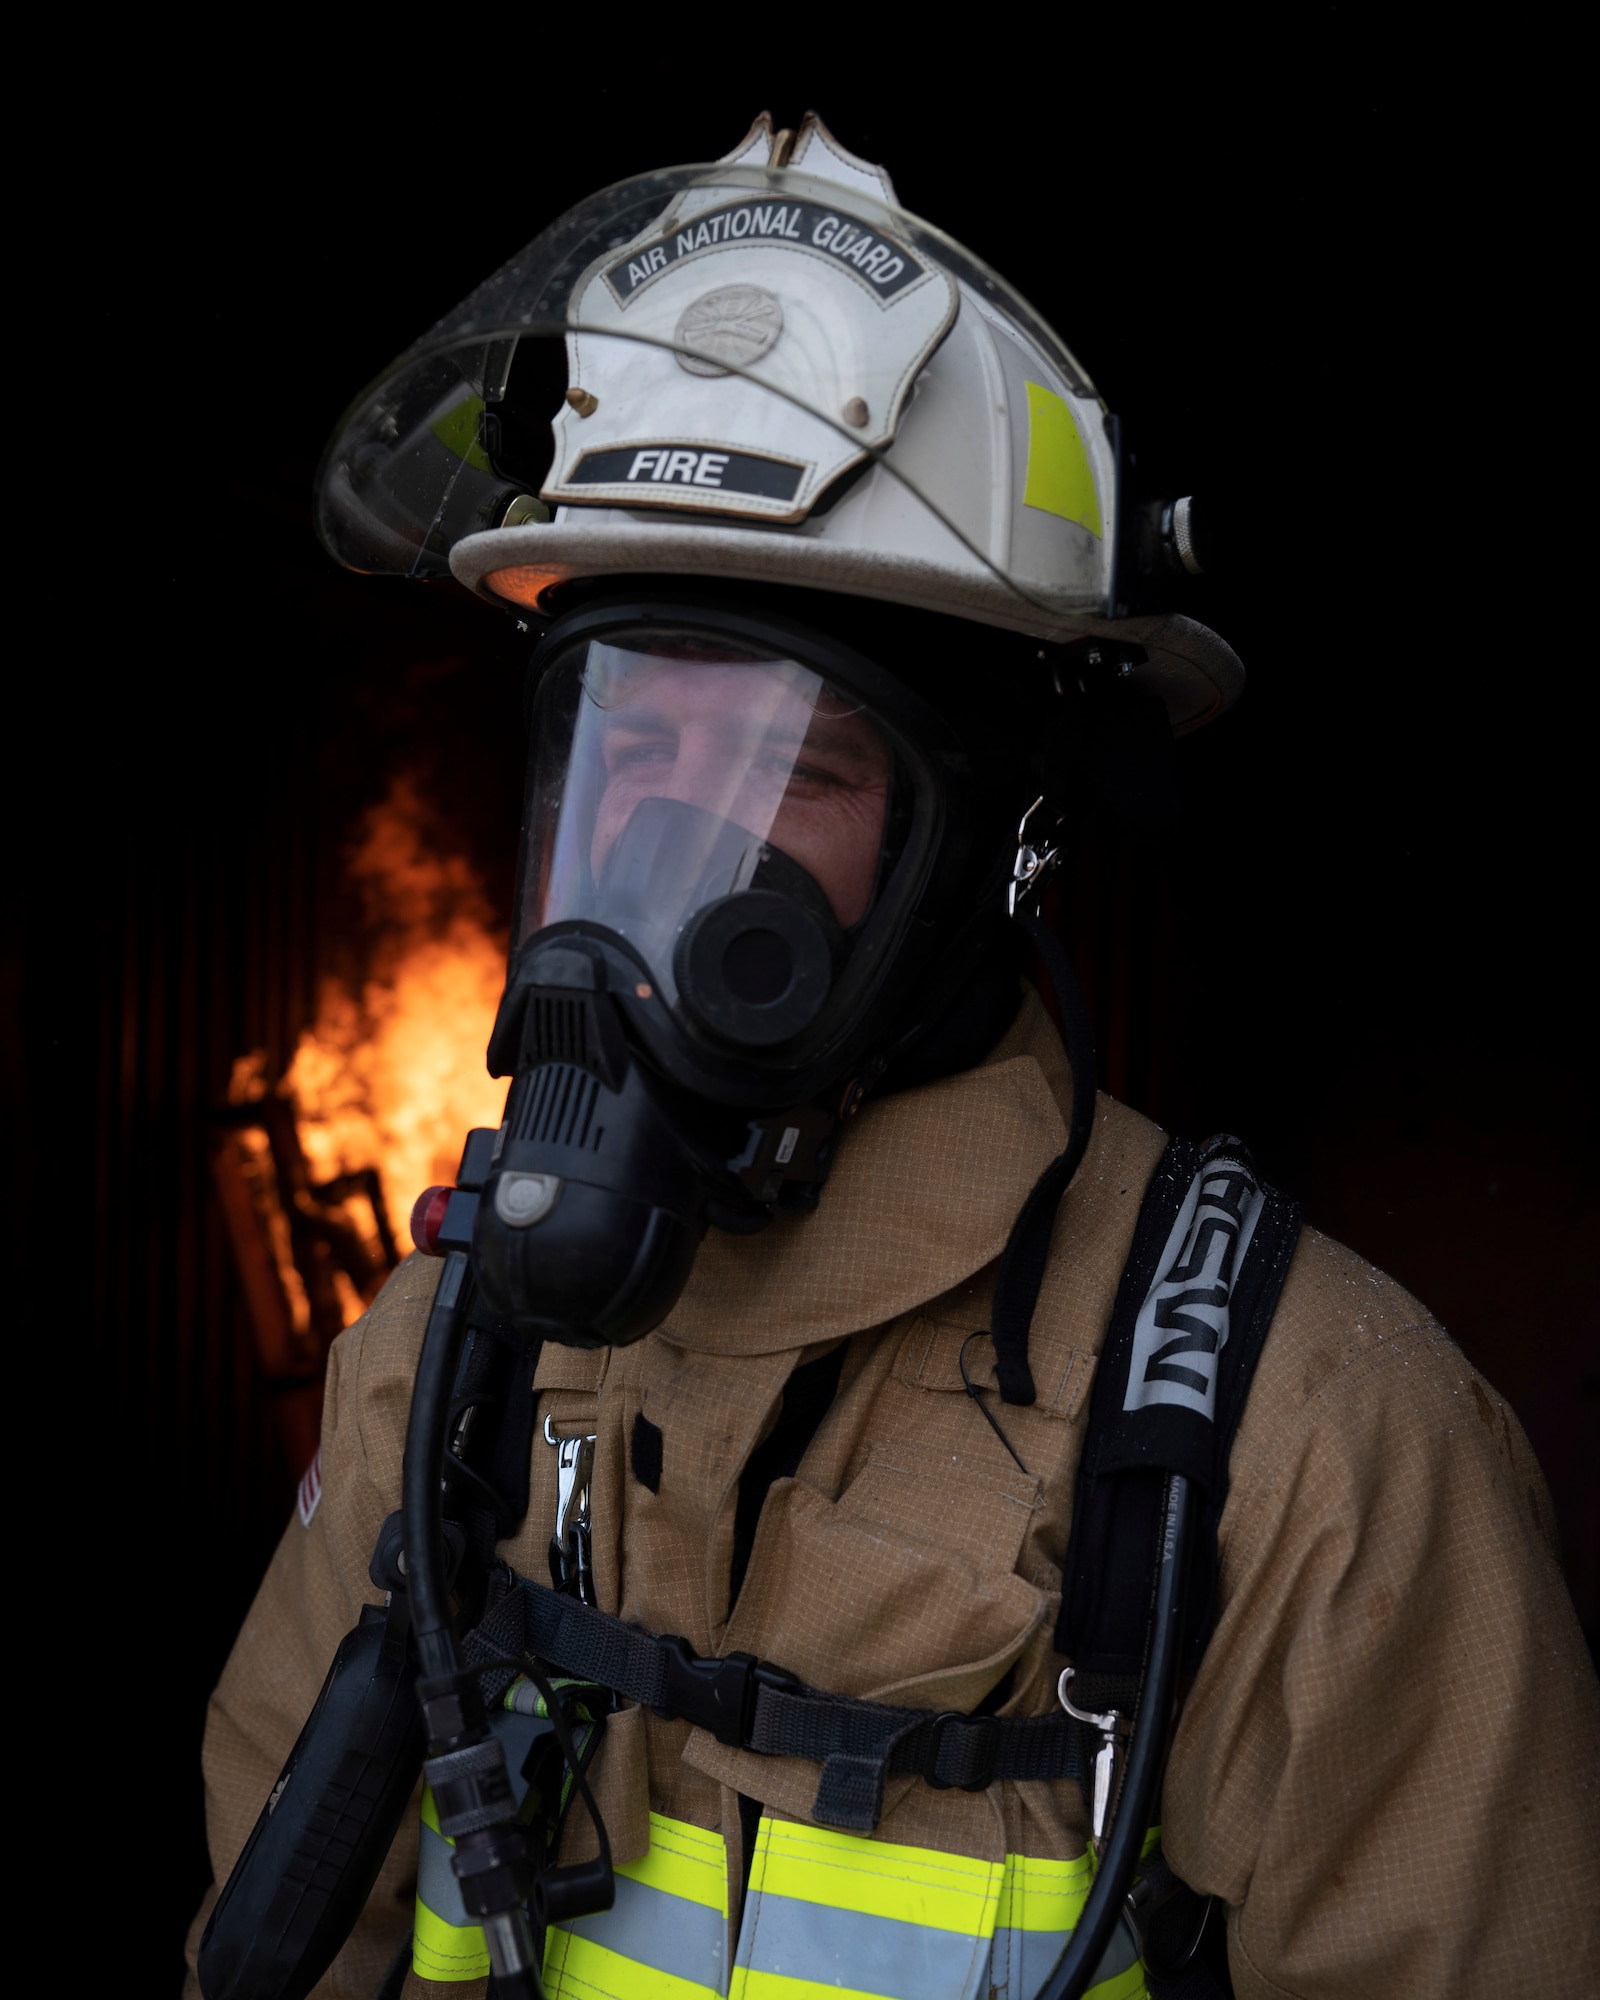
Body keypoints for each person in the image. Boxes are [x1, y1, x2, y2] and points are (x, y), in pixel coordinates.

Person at [186, 114, 1599, 2000]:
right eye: (635, 752)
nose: (671, 853)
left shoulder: (1307, 1454)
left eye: (795, 768)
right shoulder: (434, 1372)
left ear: (986, 857)